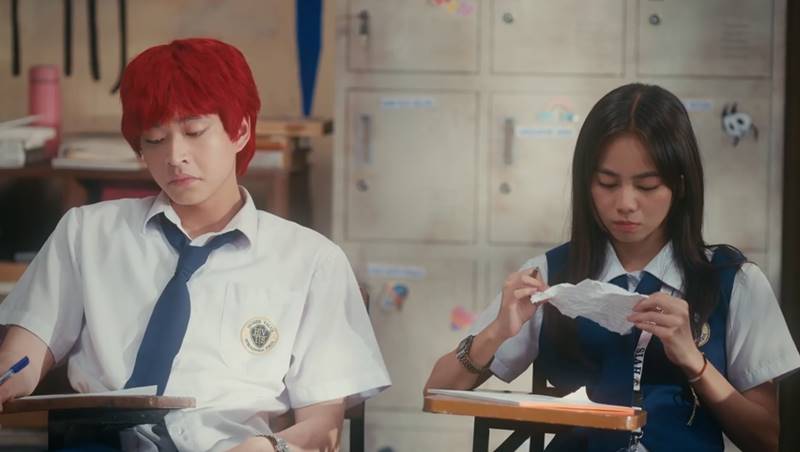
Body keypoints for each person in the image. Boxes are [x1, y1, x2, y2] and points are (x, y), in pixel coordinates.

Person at [0, 38, 390, 452]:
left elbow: (322, 428)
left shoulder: (311, 261)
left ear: (240, 131)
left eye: (194, 132)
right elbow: (22, 355)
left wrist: (266, 448)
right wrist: (8, 376)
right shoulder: (87, 232)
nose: (175, 156)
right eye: (155, 139)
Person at [425, 83, 800, 452]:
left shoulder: (734, 282)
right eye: (607, 183)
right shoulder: (550, 275)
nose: (625, 204)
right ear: (586, 183)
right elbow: (436, 392)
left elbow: (767, 439)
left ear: (681, 185)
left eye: (647, 186)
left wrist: (694, 362)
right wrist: (496, 332)